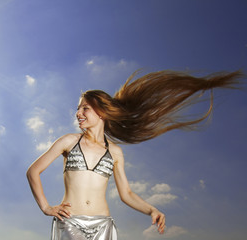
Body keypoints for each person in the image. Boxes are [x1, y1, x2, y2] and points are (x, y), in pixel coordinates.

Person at [26, 70, 242, 240]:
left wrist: (151, 210)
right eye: (78, 109)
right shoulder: (68, 142)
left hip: (103, 225)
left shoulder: (115, 153)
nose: (78, 113)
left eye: (85, 108)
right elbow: (33, 171)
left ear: (101, 112)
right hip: (70, 223)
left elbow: (126, 193)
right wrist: (46, 207)